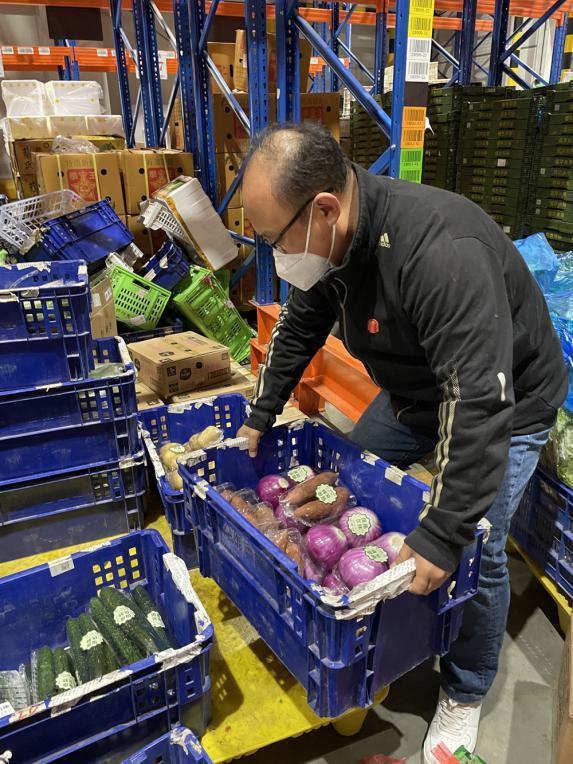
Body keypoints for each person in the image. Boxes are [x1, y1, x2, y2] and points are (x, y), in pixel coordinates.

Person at [237, 122, 567, 761]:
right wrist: (261, 412)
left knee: (475, 547)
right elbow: (301, 324)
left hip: (507, 400)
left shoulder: (441, 250)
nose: (273, 254)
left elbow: (478, 399)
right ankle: (363, 620)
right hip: (415, 389)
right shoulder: (331, 244)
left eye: (274, 239)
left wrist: (443, 532)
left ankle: (465, 689)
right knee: (347, 481)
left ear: (325, 208)